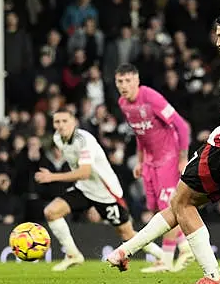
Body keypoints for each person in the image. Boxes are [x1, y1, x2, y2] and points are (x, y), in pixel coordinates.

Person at [107, 8, 220, 284]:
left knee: (181, 203)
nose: (217, 42)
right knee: (182, 202)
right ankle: (124, 252)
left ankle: (214, 277)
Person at [35, 108, 165, 271]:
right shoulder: (57, 138)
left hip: (105, 193)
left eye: (65, 121)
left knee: (126, 233)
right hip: (84, 188)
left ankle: (162, 257)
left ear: (74, 122)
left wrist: (52, 177)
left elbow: (85, 172)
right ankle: (72, 254)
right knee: (51, 212)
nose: (61, 125)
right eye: (57, 122)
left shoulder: (83, 140)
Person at [115, 63, 195, 273]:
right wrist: (141, 161)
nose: (124, 85)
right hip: (150, 161)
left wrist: (182, 158)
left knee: (168, 208)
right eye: (120, 81)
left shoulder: (151, 98)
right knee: (155, 209)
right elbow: (140, 134)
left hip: (168, 157)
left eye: (128, 81)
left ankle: (166, 259)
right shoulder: (123, 103)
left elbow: (182, 126)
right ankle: (185, 247)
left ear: (137, 80)